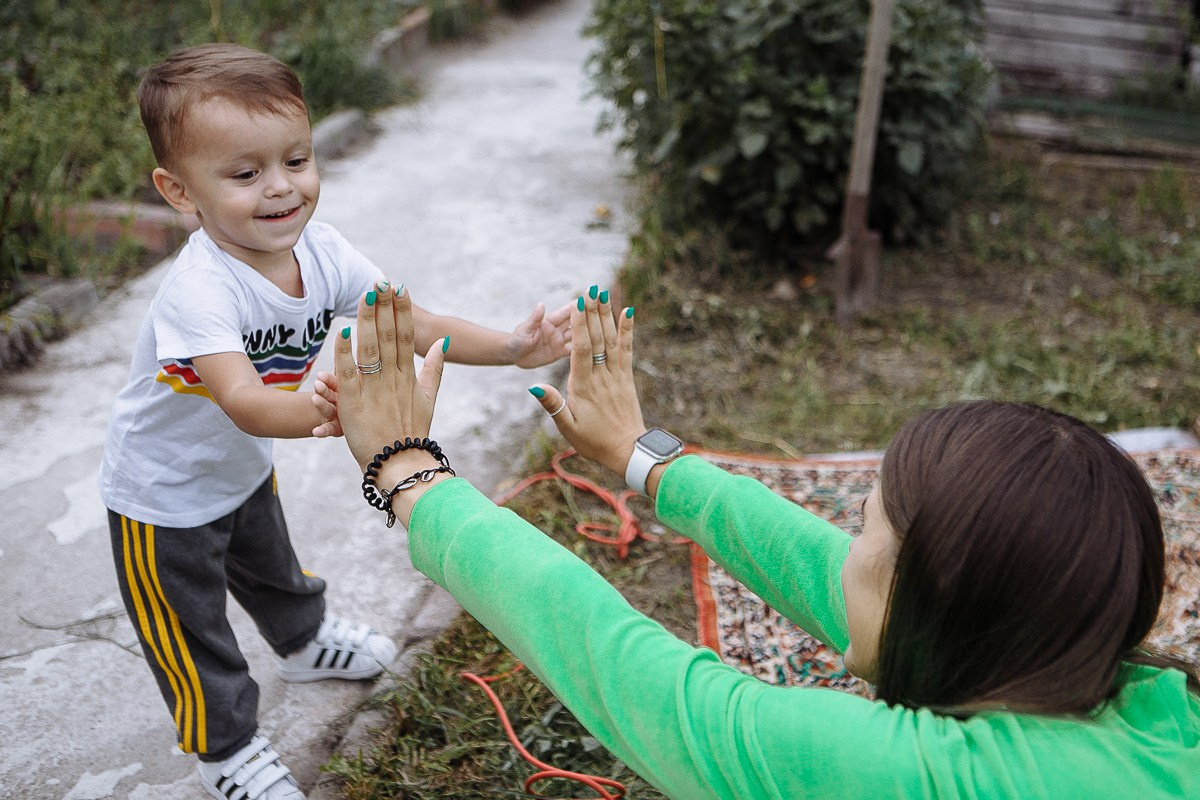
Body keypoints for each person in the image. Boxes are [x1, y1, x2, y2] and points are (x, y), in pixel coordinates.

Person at [320, 283, 1200, 799]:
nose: (841, 547)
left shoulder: (911, 775)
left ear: (942, 613)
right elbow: (844, 582)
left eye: (864, 528)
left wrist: (410, 475)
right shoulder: (1147, 703)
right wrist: (644, 461)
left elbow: (642, 681)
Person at [98, 43, 573, 800]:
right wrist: (323, 411)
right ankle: (226, 751)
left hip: (240, 467)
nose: (282, 189)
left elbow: (411, 323)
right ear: (178, 191)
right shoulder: (201, 289)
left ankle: (303, 643)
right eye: (246, 174)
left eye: (297, 159)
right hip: (160, 494)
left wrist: (513, 349)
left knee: (273, 565)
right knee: (191, 634)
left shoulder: (321, 252)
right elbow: (242, 398)